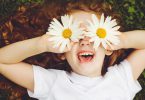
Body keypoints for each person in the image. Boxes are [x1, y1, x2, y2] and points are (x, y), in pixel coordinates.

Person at [0, 0, 145, 100]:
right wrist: (41, 44)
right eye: (74, 35)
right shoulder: (52, 82)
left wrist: (124, 40)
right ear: (62, 52)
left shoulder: (121, 78)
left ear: (108, 47)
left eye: (93, 33)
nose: (84, 41)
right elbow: (3, 62)